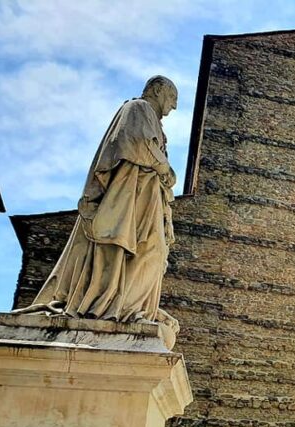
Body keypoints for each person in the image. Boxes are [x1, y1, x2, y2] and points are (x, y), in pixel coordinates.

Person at [15, 76, 179, 326]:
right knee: (137, 250)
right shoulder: (137, 108)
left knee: (153, 253)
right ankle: (123, 309)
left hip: (147, 196)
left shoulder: (154, 122)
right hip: (129, 196)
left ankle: (134, 309)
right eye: (172, 98)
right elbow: (135, 143)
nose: (174, 107)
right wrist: (165, 167)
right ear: (157, 90)